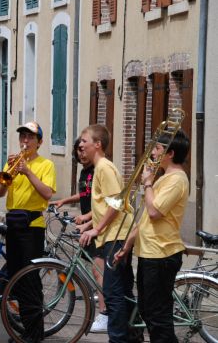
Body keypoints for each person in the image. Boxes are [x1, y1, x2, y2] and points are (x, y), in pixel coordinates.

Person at [115, 129, 190, 342]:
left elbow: (155, 212)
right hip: (150, 253)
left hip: (162, 254)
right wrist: (127, 246)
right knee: (148, 312)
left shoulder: (176, 179)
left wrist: (147, 182)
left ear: (170, 153)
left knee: (158, 316)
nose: (153, 153)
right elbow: (145, 220)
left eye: (157, 149)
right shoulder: (164, 178)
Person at [0, 121, 56, 342]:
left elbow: (47, 193)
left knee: (30, 280)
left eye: (30, 137)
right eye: (22, 136)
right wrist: (7, 172)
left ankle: (34, 334)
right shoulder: (12, 162)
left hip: (32, 227)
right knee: (15, 280)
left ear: (39, 142)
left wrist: (28, 171)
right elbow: (0, 192)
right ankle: (22, 330)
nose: (25, 141)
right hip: (14, 224)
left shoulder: (46, 165)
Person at [78, 124, 138, 343]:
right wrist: (89, 223)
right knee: (123, 291)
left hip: (117, 235)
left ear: (98, 144)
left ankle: (119, 339)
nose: (80, 145)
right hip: (114, 234)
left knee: (112, 294)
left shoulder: (104, 167)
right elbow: (105, 206)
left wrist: (97, 228)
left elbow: (116, 202)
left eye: (84, 141)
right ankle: (133, 336)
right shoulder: (100, 168)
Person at [51, 137, 108, 333]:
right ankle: (104, 303)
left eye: (83, 150)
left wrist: (87, 218)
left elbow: (106, 203)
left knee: (98, 271)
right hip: (90, 223)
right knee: (94, 269)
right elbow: (85, 195)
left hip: (99, 225)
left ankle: (105, 313)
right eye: (78, 151)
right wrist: (64, 200)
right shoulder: (85, 172)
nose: (81, 154)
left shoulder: (98, 170)